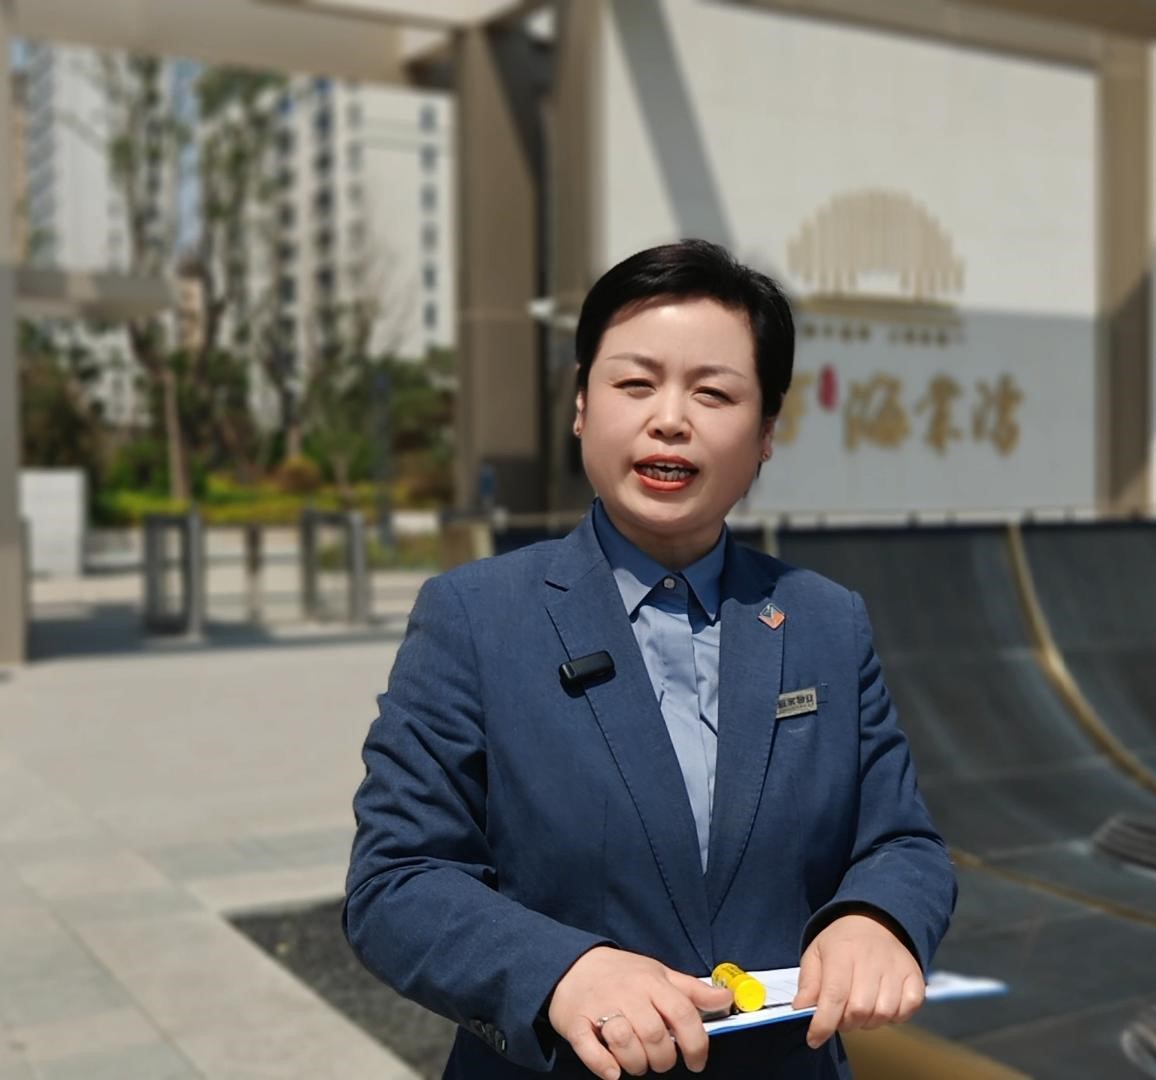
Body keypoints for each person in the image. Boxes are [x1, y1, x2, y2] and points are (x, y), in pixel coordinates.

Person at [344, 239, 957, 1079]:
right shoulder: (475, 617)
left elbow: (901, 842)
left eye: (714, 392)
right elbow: (397, 880)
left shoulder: (825, 620)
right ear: (581, 406)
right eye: (635, 384)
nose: (671, 418)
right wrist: (561, 971)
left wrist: (878, 918)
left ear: (766, 431)